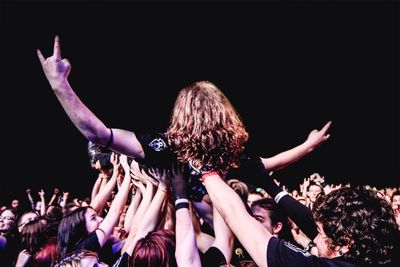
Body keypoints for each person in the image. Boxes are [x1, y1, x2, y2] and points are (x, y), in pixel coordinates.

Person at [37, 36, 331, 188]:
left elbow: (98, 134)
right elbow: (273, 163)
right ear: (225, 113)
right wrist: (309, 145)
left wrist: (60, 85)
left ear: (182, 113)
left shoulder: (166, 147)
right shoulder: (233, 159)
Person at [200, 161, 399, 267]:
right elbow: (309, 221)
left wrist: (206, 170)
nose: (315, 236)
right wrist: (267, 183)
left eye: (320, 233)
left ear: (345, 242)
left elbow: (238, 217)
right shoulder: (385, 252)